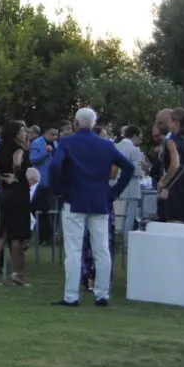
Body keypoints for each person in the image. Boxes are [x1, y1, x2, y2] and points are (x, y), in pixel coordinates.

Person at [50, 107, 136, 307]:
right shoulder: (106, 145)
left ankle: (71, 296)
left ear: (76, 122)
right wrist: (113, 192)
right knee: (102, 249)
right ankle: (102, 294)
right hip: (99, 200)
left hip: (73, 200)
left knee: (73, 250)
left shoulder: (67, 142)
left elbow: (55, 166)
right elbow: (129, 167)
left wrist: (58, 190)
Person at [0, 122, 32, 287]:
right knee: (16, 235)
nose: (25, 133)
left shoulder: (0, 149)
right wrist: (17, 174)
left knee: (2, 232)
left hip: (4, 192)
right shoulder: (19, 149)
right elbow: (18, 162)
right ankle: (17, 273)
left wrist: (5, 178)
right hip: (18, 192)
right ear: (15, 134)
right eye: (22, 131)